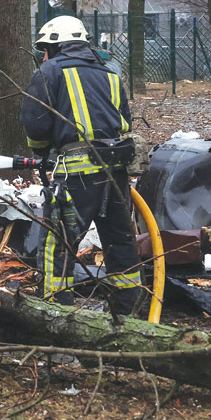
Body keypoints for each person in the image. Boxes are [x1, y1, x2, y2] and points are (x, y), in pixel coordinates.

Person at [19, 16, 142, 314]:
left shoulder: (50, 71)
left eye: (45, 49)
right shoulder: (111, 72)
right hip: (116, 175)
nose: (44, 56)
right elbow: (123, 119)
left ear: (56, 45)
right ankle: (129, 314)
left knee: (57, 246)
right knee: (121, 244)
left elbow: (35, 124)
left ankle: (56, 317)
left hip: (77, 178)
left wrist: (42, 153)